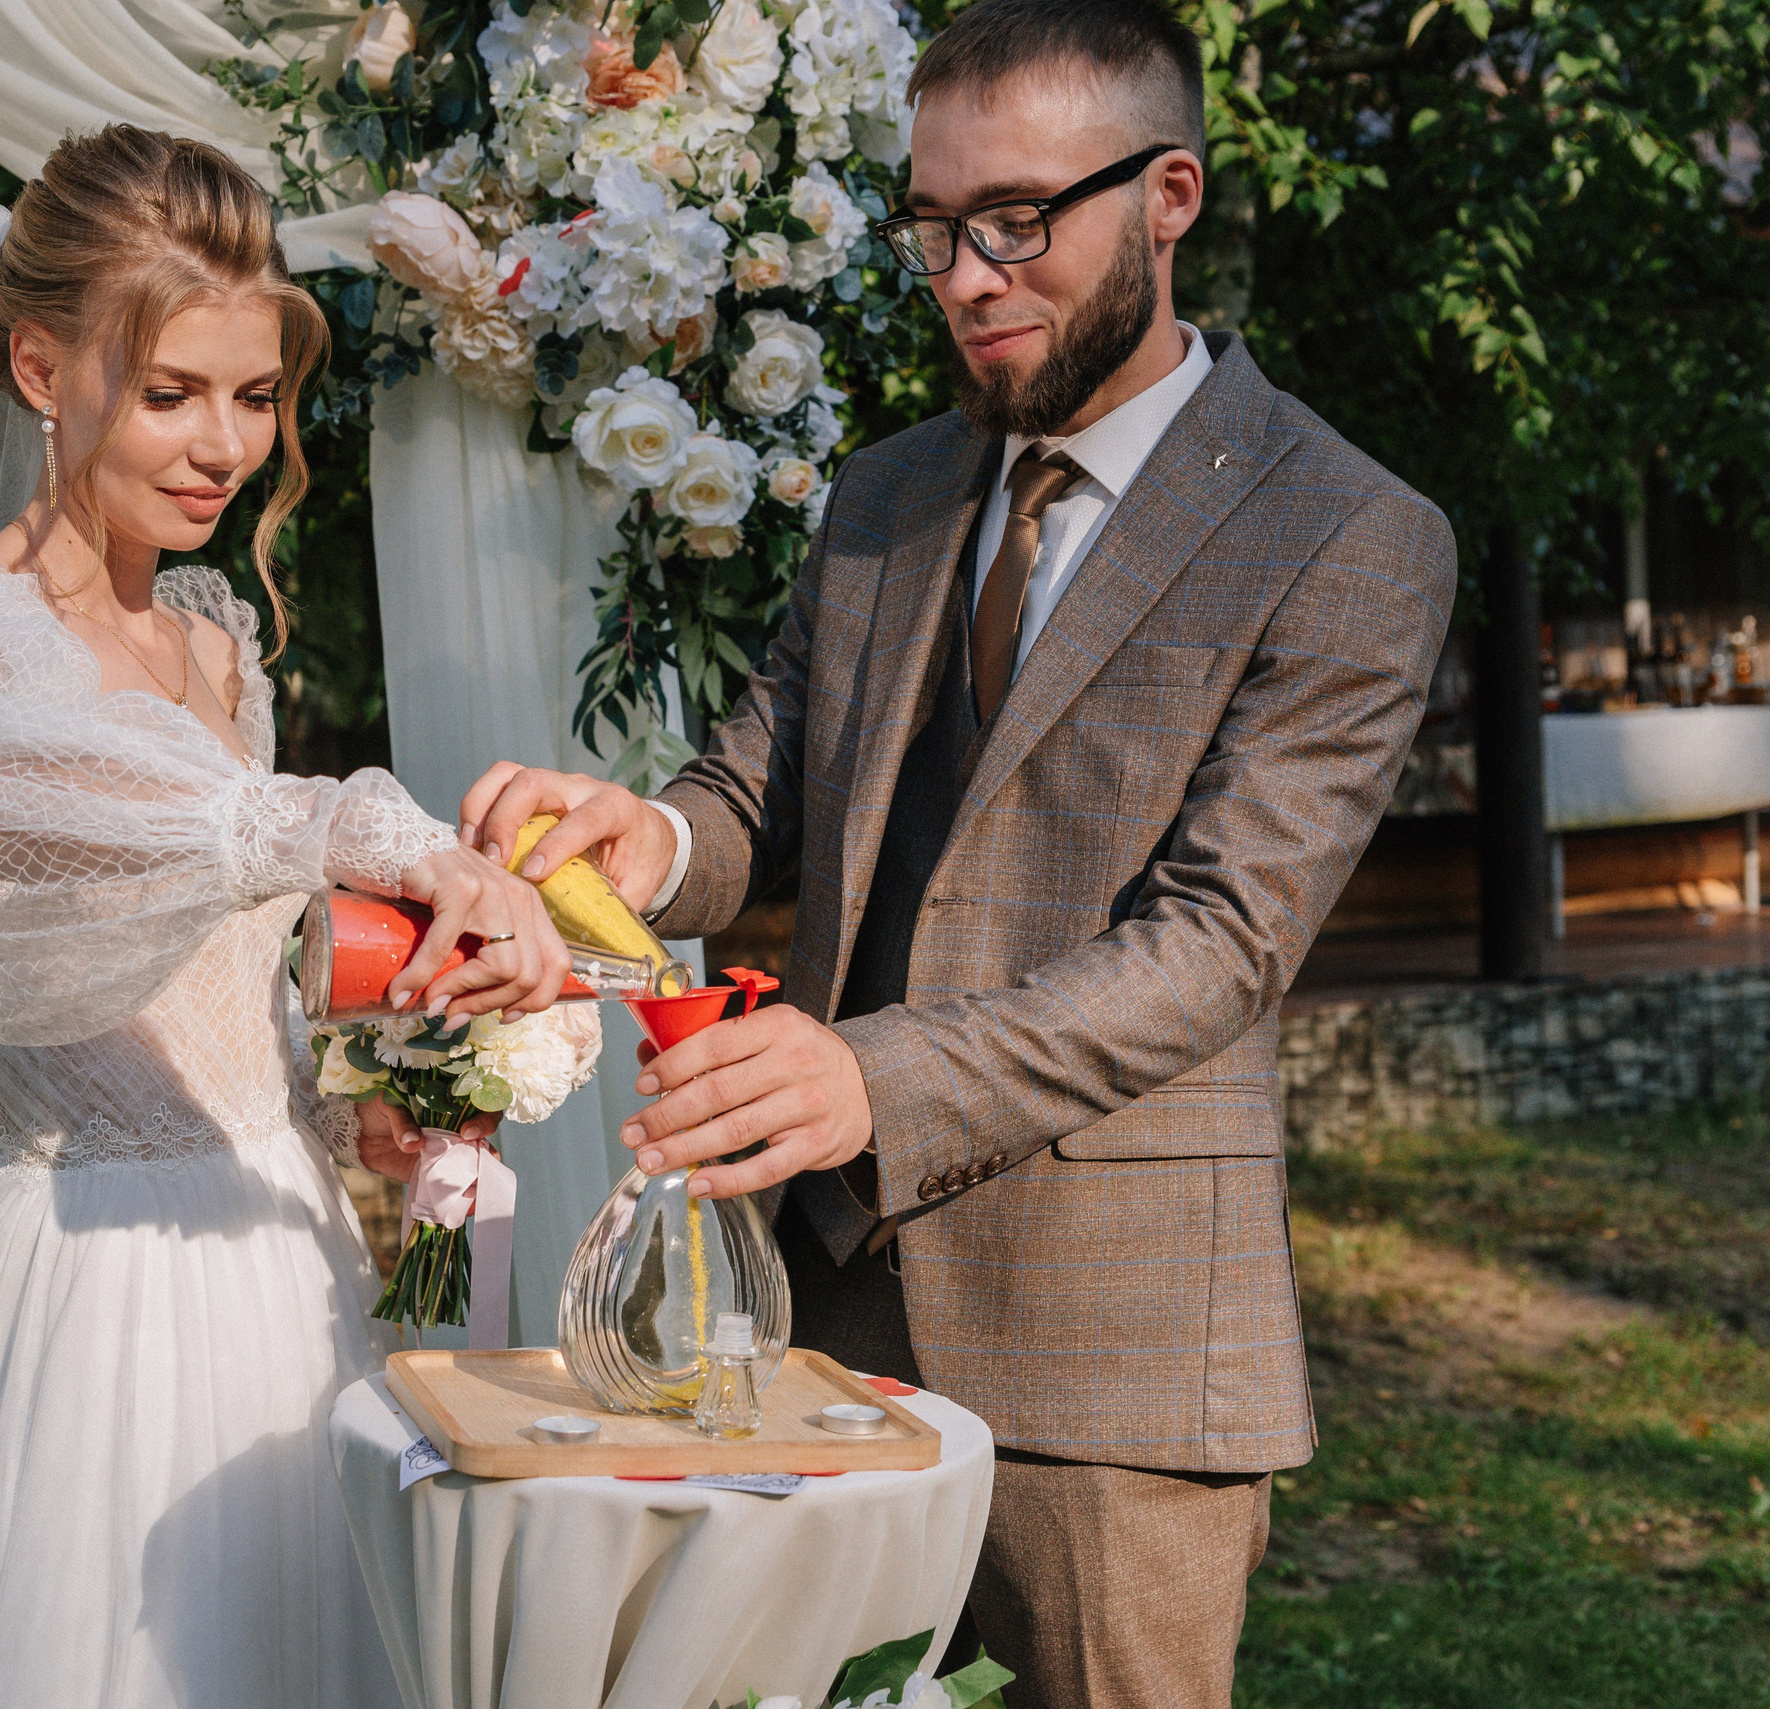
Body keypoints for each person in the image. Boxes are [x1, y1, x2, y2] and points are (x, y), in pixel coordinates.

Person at [461, 1, 1458, 1703]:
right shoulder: (885, 492)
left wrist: (869, 1083)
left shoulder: (1347, 531)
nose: (969, 276)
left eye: (1016, 222)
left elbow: (1218, 944)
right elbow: (749, 799)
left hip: (1116, 1361)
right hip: (818, 1317)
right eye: (933, 229)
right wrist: (638, 845)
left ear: (1171, 196)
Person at [0, 127, 577, 1708]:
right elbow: (81, 817)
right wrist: (372, 825)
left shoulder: (218, 647)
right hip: (104, 1295)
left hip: (290, 1271)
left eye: (256, 395)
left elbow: (228, 980)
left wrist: (378, 1101)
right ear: (38, 365)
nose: (224, 445)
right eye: (170, 394)